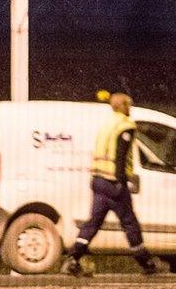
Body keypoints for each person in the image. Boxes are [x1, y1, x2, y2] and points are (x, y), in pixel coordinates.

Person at [62, 93, 159, 276]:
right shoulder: (125, 126)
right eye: (129, 104)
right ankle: (145, 261)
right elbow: (121, 155)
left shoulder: (106, 125)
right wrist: (122, 180)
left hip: (98, 180)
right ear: (122, 105)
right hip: (113, 182)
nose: (130, 108)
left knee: (93, 223)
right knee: (129, 222)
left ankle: (73, 257)